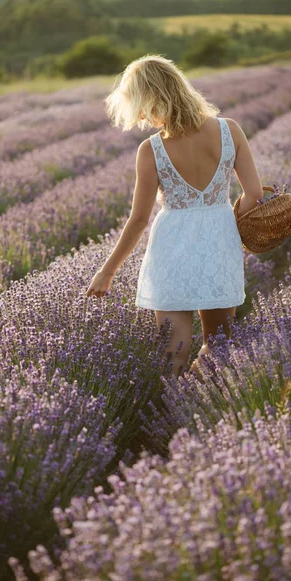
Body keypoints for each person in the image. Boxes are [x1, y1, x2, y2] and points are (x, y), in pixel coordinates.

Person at [85, 54, 263, 381]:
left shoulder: (151, 150)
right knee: (218, 344)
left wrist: (106, 272)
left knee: (172, 351)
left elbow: (138, 220)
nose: (140, 116)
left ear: (154, 100)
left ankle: (171, 413)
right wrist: (242, 233)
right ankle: (199, 409)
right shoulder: (230, 131)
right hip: (219, 243)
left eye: (140, 106)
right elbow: (254, 195)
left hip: (171, 249)